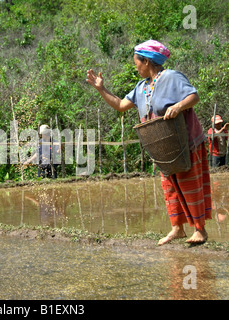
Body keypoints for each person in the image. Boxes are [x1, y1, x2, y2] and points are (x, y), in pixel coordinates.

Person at [86, 39, 212, 245]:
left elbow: (193, 96)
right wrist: (101, 89)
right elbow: (120, 105)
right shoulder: (141, 87)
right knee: (170, 188)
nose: (134, 66)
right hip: (163, 147)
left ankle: (200, 231)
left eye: (136, 61)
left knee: (189, 184)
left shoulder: (171, 77)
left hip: (184, 143)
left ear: (145, 61)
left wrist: (179, 106)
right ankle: (177, 229)